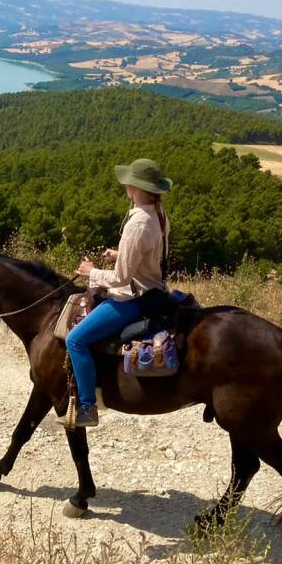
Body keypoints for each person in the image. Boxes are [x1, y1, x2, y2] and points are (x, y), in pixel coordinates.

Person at [65, 158, 172, 427]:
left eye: (128, 182)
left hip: (134, 297)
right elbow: (148, 254)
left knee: (75, 340)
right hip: (154, 288)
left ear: (135, 187)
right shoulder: (158, 214)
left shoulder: (137, 223)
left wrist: (91, 272)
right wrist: (119, 253)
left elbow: (122, 278)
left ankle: (88, 407)